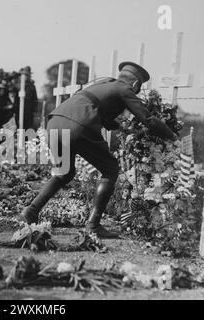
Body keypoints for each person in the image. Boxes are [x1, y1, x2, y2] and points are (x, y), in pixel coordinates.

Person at [20, 61, 178, 238]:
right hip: (78, 126)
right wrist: (172, 136)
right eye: (138, 88)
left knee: (63, 172)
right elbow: (148, 119)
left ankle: (31, 210)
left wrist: (124, 127)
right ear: (135, 84)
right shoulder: (123, 89)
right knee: (110, 169)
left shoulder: (101, 84)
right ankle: (93, 225)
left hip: (55, 123)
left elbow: (101, 113)